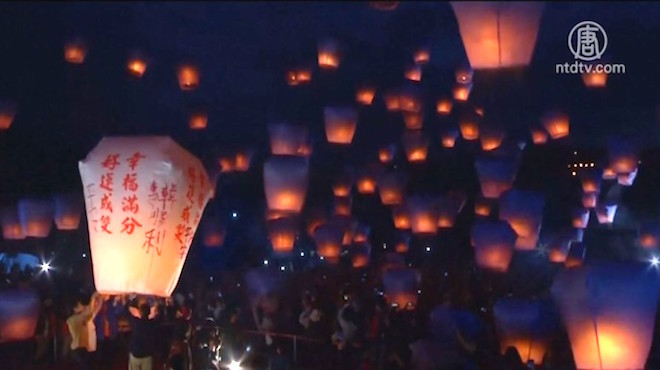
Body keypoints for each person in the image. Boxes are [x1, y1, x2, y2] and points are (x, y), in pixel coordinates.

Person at [67, 292, 103, 370]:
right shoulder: (76, 319)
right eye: (80, 305)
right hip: (78, 350)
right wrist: (95, 296)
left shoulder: (76, 318)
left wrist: (100, 298)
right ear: (75, 309)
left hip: (80, 348)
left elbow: (95, 310)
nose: (83, 306)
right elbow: (91, 310)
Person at [128, 299, 160, 370]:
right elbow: (158, 316)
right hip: (147, 354)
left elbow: (127, 310)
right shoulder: (152, 324)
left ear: (139, 312)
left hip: (135, 353)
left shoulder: (135, 323)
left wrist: (131, 299)